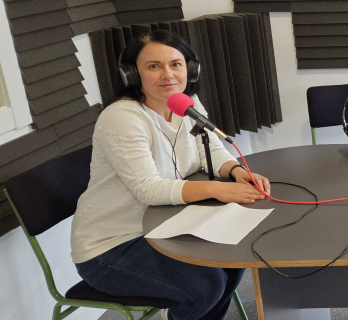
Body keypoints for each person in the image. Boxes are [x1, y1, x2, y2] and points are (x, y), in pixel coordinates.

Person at [71, 30, 272, 320]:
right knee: (206, 285)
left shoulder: (185, 102)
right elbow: (147, 189)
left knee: (233, 258)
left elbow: (210, 149)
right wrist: (216, 190)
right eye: (154, 66)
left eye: (175, 64)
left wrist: (236, 171)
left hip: (166, 223)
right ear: (132, 73)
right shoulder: (122, 118)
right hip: (112, 245)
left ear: (190, 69)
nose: (167, 74)